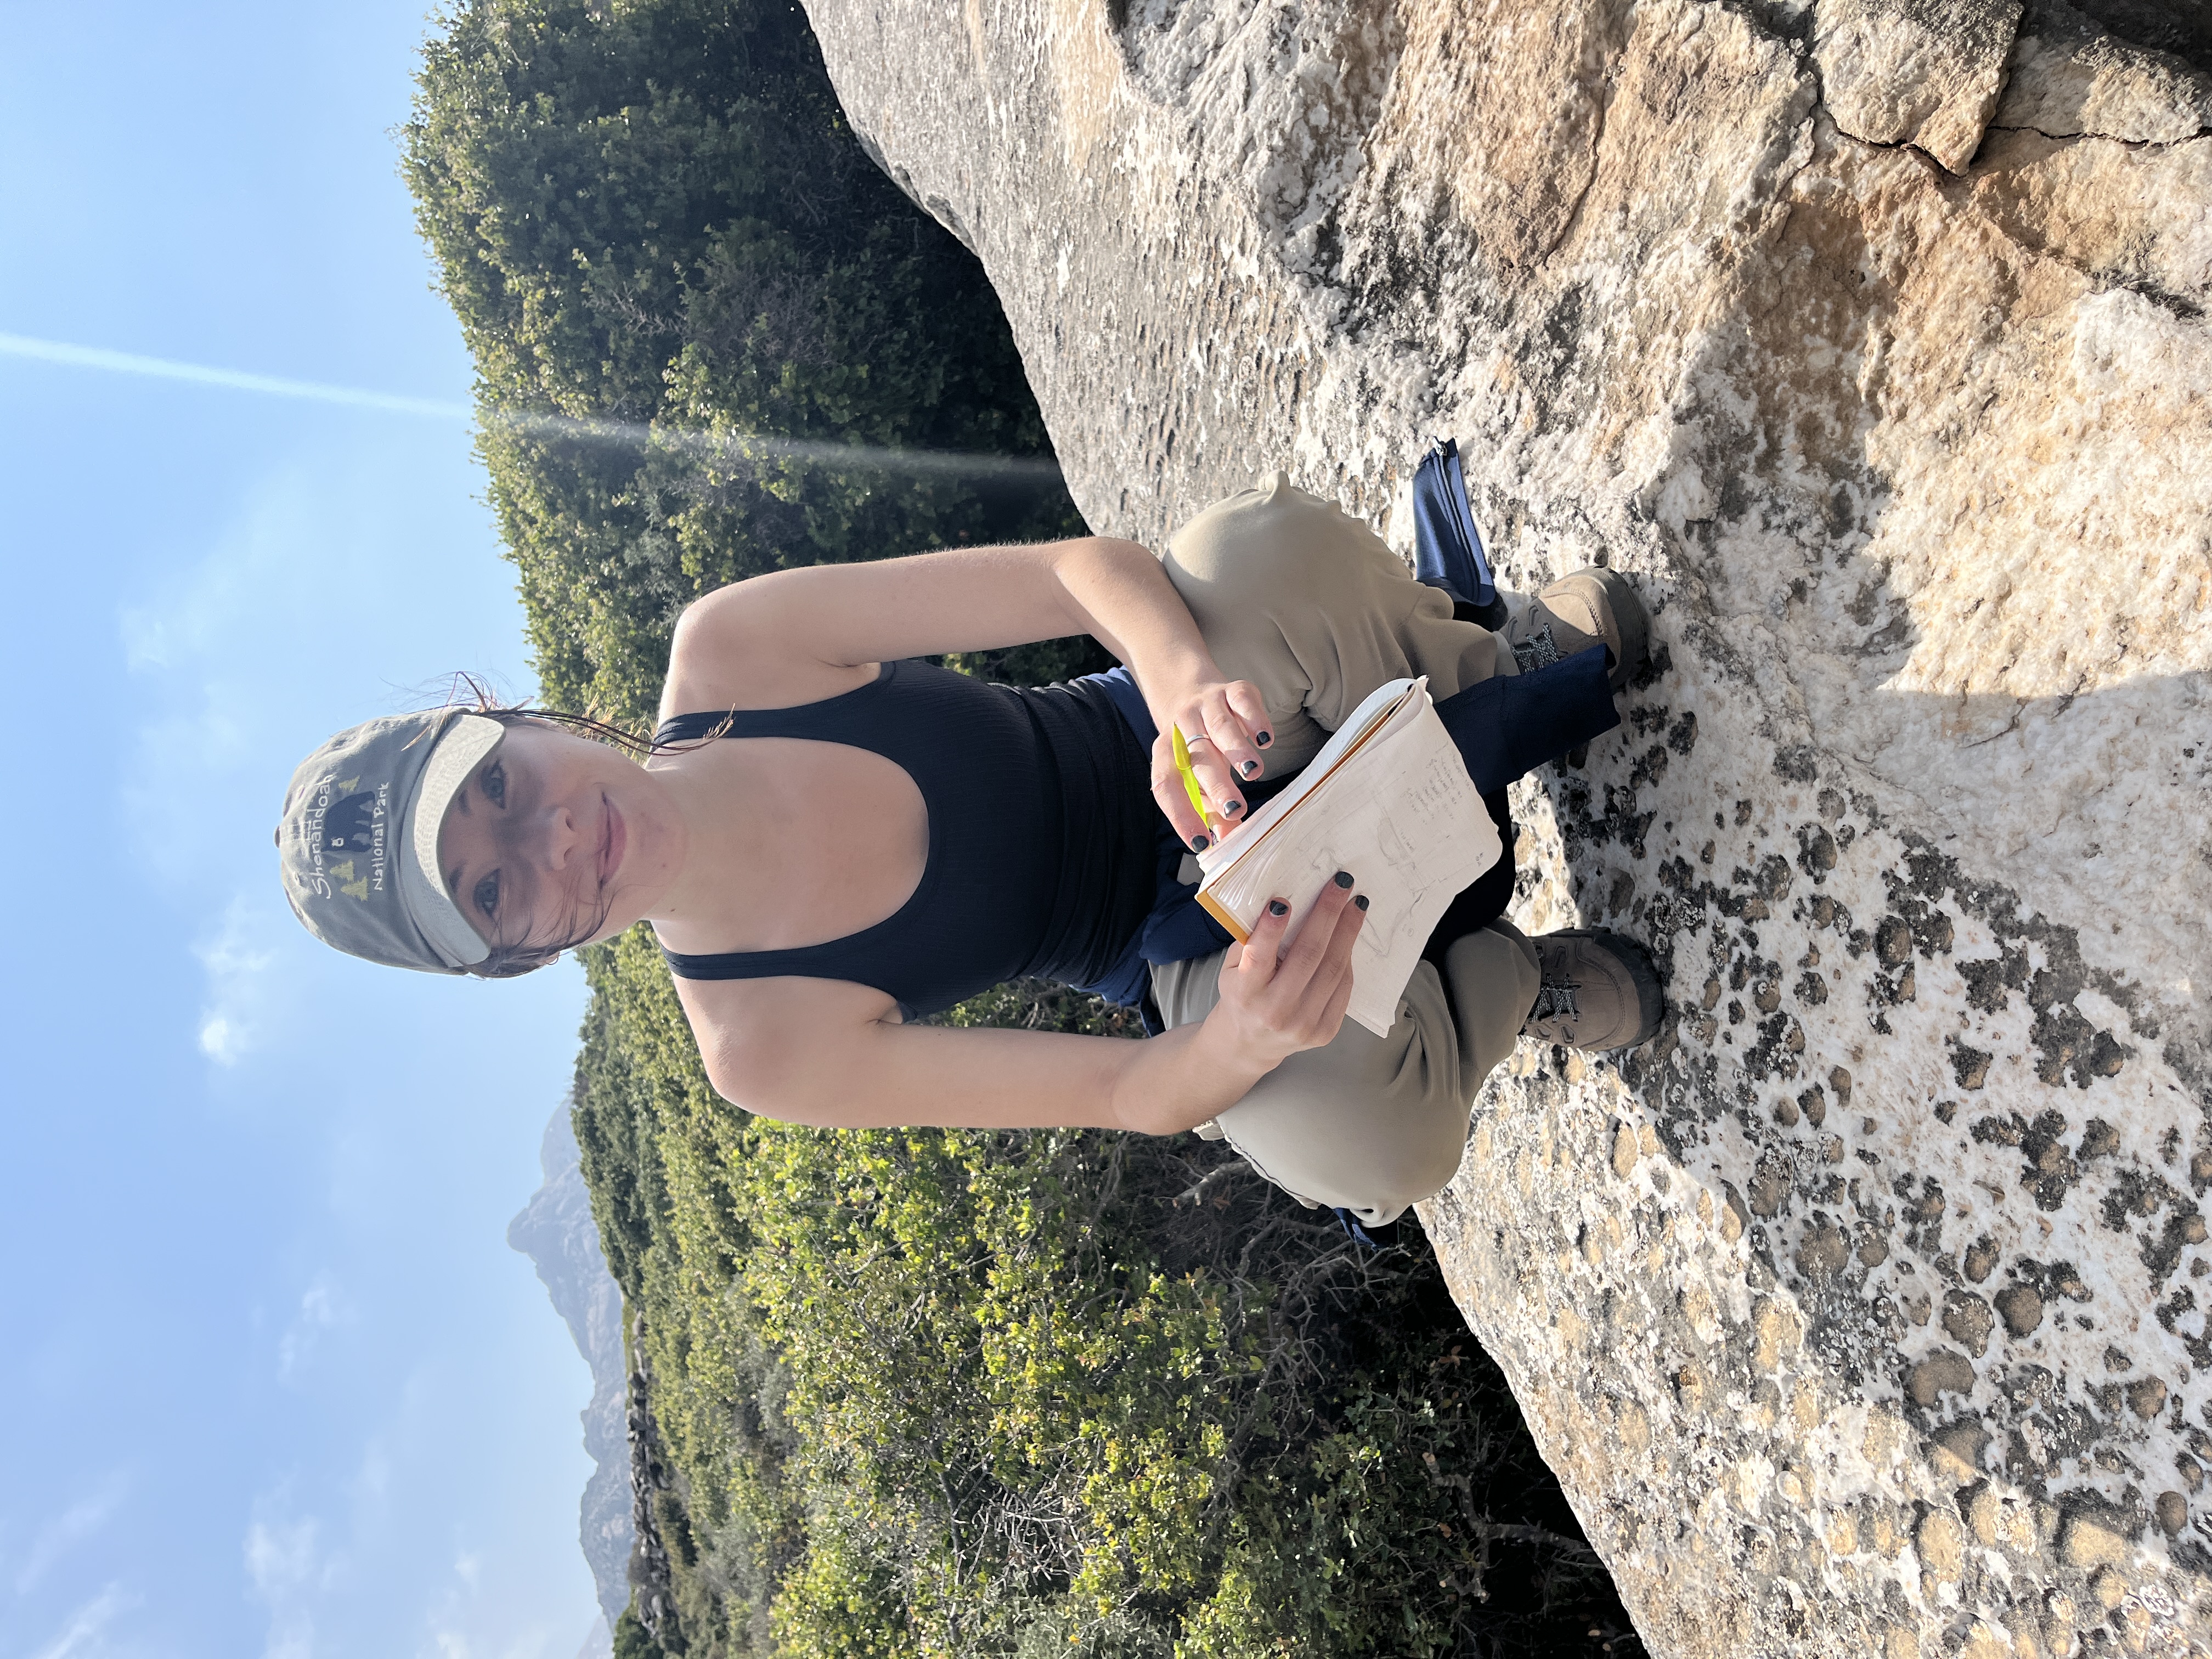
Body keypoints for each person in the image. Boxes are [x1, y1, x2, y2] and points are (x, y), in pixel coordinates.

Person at [277, 472, 1661, 1228]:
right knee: (1360, 1143)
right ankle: (1503, 986)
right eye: (498, 884)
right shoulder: (761, 1042)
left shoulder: (736, 652)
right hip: (1184, 947)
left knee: (1248, 553)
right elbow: (1136, 1094)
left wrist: (1178, 679)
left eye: (505, 785)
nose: (559, 833)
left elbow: (1080, 571)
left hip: (1201, 733)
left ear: (513, 721)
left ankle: (1498, 658)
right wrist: (1242, 1040)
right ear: (514, 950)